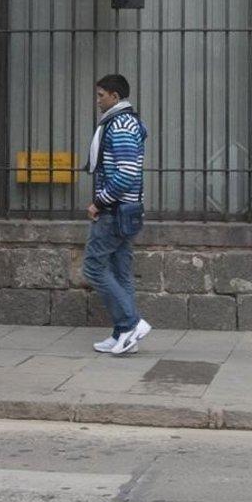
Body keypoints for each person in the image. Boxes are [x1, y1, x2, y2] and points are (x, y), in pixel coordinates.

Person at [84, 73, 151, 356]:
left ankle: (131, 323)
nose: (97, 100)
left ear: (114, 96)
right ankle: (123, 334)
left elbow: (126, 173)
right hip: (125, 211)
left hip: (114, 211)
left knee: (94, 268)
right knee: (121, 272)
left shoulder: (121, 125)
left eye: (101, 95)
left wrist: (99, 202)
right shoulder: (122, 121)